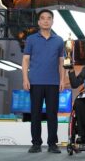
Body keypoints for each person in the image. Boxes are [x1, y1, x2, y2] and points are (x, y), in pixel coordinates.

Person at [22, 9, 65, 153]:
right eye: (43, 18)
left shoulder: (59, 40)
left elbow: (61, 63)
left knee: (52, 114)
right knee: (35, 114)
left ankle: (52, 144)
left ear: (52, 21)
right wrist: (25, 79)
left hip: (53, 82)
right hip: (35, 81)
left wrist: (62, 80)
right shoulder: (31, 39)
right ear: (39, 22)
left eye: (49, 18)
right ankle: (36, 143)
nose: (46, 20)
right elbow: (26, 60)